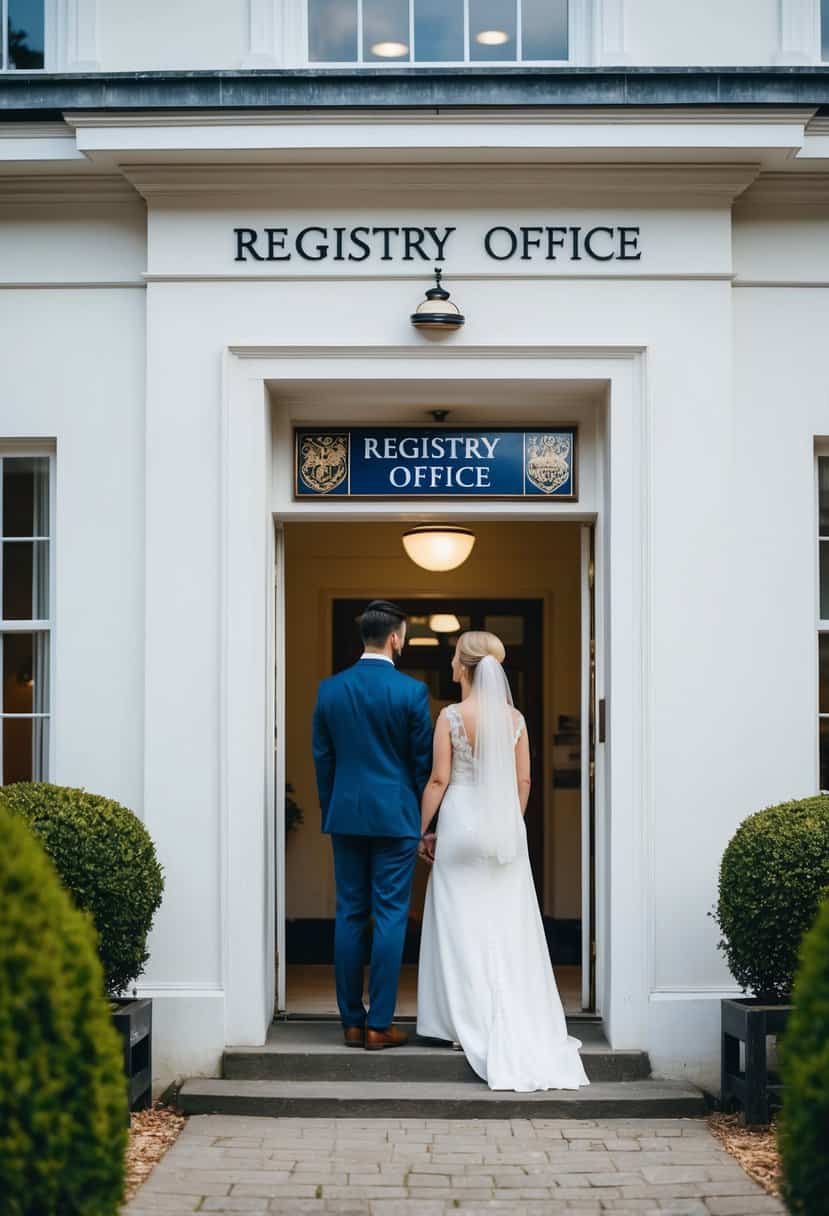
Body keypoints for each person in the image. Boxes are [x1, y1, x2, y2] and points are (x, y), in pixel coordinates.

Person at [416, 630, 590, 1092]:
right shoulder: (515, 718)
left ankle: (459, 1025)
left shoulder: (451, 716)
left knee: (458, 924)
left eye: (454, 659)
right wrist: (508, 822)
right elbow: (525, 779)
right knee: (505, 923)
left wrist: (421, 828)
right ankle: (506, 1013)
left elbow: (438, 779)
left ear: (466, 667)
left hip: (459, 823)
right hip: (503, 827)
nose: (451, 666)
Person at [313, 599, 433, 1050]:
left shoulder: (330, 690)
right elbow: (422, 763)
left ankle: (350, 1023)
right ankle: (379, 1025)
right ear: (396, 638)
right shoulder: (411, 692)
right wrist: (421, 818)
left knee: (349, 914)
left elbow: (323, 759)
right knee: (389, 916)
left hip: (345, 814)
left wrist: (332, 807)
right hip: (396, 815)